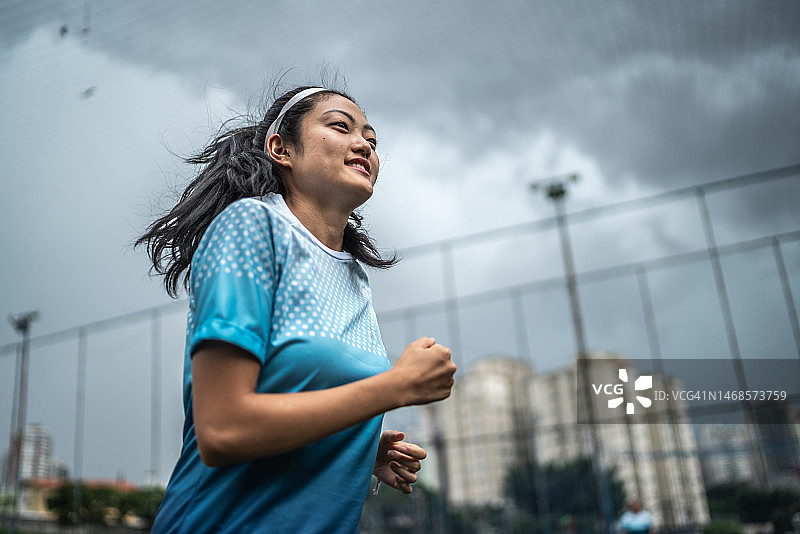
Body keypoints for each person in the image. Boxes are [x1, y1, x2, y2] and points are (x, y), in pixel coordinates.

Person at [137, 85, 458, 533]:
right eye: (340, 126)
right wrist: (395, 386)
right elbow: (223, 431)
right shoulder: (251, 226)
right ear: (280, 148)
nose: (363, 143)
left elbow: (298, 398)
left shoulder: (354, 277)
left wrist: (356, 445)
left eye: (371, 138)